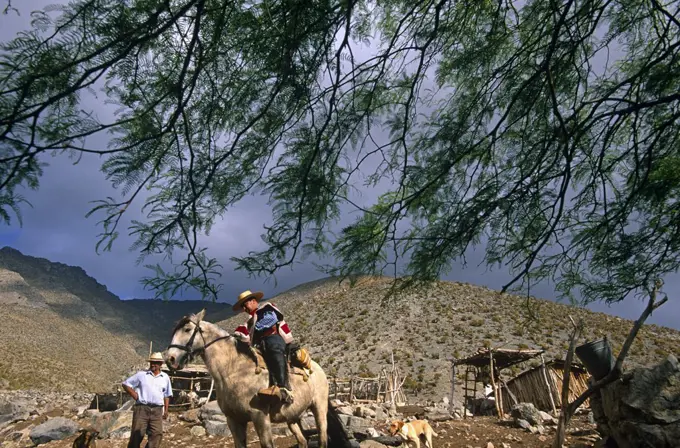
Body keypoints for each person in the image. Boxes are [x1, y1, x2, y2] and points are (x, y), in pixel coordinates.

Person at [233, 289, 295, 403]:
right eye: (242, 306)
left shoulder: (266, 308)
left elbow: (270, 320)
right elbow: (246, 337)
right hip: (259, 343)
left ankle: (283, 388)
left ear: (253, 301)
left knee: (274, 349)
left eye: (245, 305)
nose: (244, 309)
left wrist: (250, 329)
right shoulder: (249, 321)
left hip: (273, 337)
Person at [121, 352, 173, 448]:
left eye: (156, 363)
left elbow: (167, 395)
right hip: (142, 409)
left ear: (161, 364)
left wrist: (166, 410)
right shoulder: (141, 375)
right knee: (137, 435)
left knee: (157, 434)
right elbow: (126, 384)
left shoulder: (165, 377)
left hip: (157, 410)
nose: (153, 364)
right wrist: (136, 396)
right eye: (151, 362)